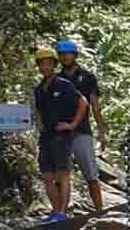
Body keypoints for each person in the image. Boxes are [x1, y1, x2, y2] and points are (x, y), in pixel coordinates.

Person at [33, 37, 103, 220]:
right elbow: (40, 109)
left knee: (90, 173)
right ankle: (60, 213)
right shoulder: (53, 80)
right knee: (58, 173)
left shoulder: (86, 77)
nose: (65, 58)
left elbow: (92, 104)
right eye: (62, 55)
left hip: (80, 131)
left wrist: (102, 131)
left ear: (75, 55)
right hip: (57, 134)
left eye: (68, 54)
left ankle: (100, 211)